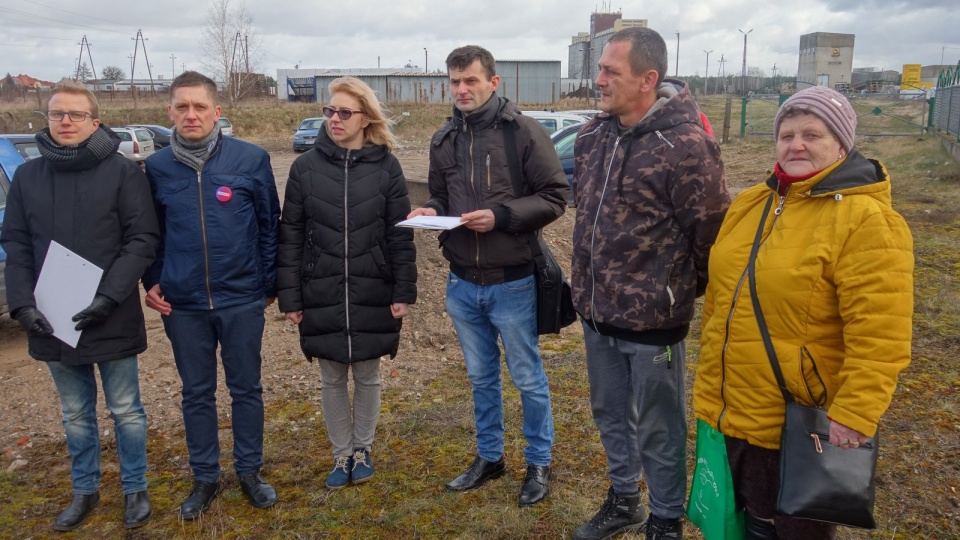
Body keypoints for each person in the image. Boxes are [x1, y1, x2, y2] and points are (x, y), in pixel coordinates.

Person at [693, 86, 914, 540]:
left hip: (801, 415)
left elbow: (881, 332)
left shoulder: (866, 220)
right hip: (734, 404)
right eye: (787, 133)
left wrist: (856, 410)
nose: (796, 144)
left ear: (841, 144)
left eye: (812, 134)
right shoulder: (752, 203)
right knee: (747, 519)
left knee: (797, 528)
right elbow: (720, 298)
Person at [569, 27, 730, 540]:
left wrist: (671, 291)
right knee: (609, 412)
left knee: (659, 425)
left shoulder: (687, 147)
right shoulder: (594, 135)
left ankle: (665, 518)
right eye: (599, 69)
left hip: (652, 321)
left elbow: (711, 239)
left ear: (648, 79)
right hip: (596, 313)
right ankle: (624, 499)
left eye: (610, 72)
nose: (598, 80)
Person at [407, 45, 568, 507]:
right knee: (481, 378)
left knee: (528, 378)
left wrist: (500, 216)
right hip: (461, 283)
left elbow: (556, 196)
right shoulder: (443, 140)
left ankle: (539, 462)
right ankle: (490, 457)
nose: (462, 89)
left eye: (471, 81)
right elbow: (441, 197)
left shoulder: (523, 133)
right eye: (455, 81)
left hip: (512, 282)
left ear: (493, 82)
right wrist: (430, 211)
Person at [1, 81, 159, 531]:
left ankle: (135, 488)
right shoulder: (28, 178)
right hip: (51, 317)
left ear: (94, 121)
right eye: (57, 114)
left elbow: (141, 238)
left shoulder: (123, 172)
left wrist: (109, 295)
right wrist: (22, 306)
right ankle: (85, 490)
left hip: (111, 312)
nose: (65, 122)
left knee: (126, 409)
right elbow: (16, 244)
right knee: (74, 413)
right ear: (46, 120)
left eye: (74, 114)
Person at [142, 71, 281, 519]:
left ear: (217, 111)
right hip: (183, 306)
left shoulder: (251, 159)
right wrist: (153, 280)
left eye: (199, 106)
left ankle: (249, 471)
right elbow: (151, 234)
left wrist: (267, 284)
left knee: (246, 389)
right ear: (169, 113)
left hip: (242, 299)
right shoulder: (157, 167)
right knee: (196, 393)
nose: (191, 114)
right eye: (182, 107)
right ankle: (204, 477)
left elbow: (268, 226)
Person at [277, 77, 417, 490]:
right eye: (329, 111)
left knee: (369, 373)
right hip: (320, 287)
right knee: (332, 376)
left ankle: (363, 448)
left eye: (344, 112)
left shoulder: (387, 167)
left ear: (365, 118)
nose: (334, 119)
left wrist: (403, 290)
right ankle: (341, 455)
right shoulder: (304, 168)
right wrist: (290, 295)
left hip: (373, 285)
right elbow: (290, 236)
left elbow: (400, 235)